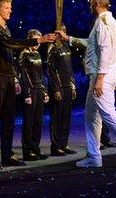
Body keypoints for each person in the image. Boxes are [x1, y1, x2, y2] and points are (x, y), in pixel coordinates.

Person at [57, 0, 116, 169]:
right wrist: (69, 39)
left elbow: (105, 51)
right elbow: (92, 45)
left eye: (91, 2)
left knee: (109, 114)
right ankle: (93, 157)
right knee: (91, 116)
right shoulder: (107, 22)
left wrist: (101, 78)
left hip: (101, 76)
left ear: (97, 3)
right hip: (103, 75)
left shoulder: (103, 22)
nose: (89, 5)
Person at [0, 0, 56, 170]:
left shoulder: (6, 28)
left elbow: (10, 56)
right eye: (7, 7)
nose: (10, 10)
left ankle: (7, 154)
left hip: (8, 77)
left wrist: (15, 77)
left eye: (10, 7)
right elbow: (10, 42)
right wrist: (37, 40)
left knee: (9, 118)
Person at [19, 29, 49, 161]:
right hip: (30, 91)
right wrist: (27, 94)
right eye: (36, 39)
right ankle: (27, 151)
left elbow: (41, 75)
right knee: (29, 122)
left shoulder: (37, 54)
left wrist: (44, 91)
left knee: (38, 121)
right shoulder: (23, 54)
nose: (38, 43)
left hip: (38, 90)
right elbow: (23, 76)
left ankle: (36, 148)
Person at [47, 25, 77, 156]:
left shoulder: (66, 46)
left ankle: (64, 144)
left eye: (65, 31)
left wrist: (72, 85)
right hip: (58, 88)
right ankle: (56, 146)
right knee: (57, 117)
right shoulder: (52, 48)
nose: (63, 34)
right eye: (60, 32)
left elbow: (69, 68)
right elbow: (51, 71)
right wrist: (56, 89)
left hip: (67, 86)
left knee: (66, 117)